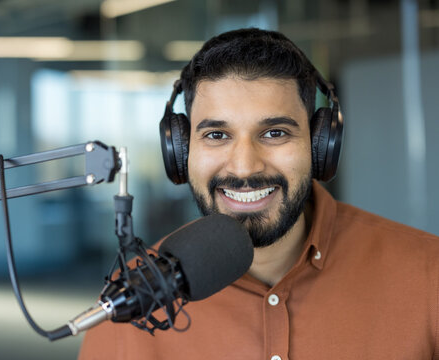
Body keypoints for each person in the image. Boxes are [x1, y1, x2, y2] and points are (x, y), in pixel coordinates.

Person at [78, 28, 439, 359]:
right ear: (181, 152)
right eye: (216, 135)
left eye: (275, 133)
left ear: (319, 146)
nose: (245, 167)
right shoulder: (127, 313)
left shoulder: (428, 276)